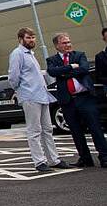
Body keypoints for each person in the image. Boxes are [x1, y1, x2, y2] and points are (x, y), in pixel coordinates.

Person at [7, 28, 68, 171]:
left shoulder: (31, 54)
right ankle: (39, 161)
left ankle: (53, 159)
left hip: (42, 95)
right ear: (21, 39)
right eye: (28, 38)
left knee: (47, 129)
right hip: (30, 96)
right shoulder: (17, 54)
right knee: (34, 130)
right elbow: (13, 77)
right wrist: (21, 90)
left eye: (33, 37)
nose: (32, 40)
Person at [46, 32, 107, 167]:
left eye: (69, 42)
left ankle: (104, 156)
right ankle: (85, 159)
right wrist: (71, 67)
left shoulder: (79, 55)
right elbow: (52, 72)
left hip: (85, 98)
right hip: (68, 101)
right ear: (57, 46)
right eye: (64, 43)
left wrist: (63, 72)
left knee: (95, 128)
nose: (68, 45)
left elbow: (84, 69)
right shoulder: (52, 60)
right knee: (76, 131)